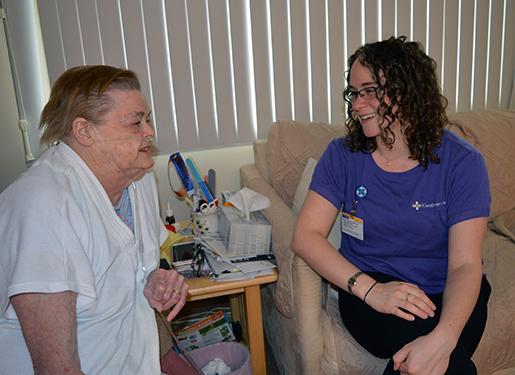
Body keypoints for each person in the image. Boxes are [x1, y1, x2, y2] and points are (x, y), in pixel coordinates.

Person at [291, 36, 491, 375]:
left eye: (369, 90)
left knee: (437, 358)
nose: (357, 104)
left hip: (447, 289)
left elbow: (465, 265)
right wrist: (371, 291)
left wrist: (445, 335)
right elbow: (305, 236)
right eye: (354, 93)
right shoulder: (343, 156)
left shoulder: (463, 163)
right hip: (372, 289)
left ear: (406, 90)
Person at [0, 65, 189, 374]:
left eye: (148, 119)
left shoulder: (138, 179)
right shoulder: (44, 208)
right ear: (85, 132)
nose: (149, 131)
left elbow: (139, 266)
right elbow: (56, 367)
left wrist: (157, 279)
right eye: (135, 122)